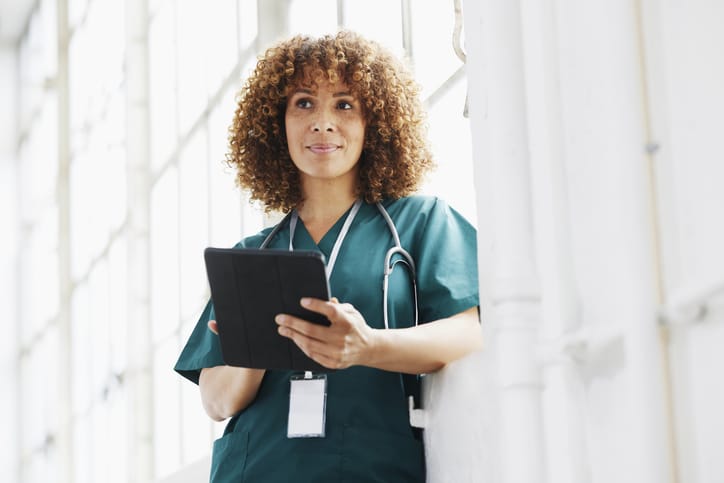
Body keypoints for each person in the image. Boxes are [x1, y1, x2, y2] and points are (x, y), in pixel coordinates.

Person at [174, 30, 483, 482]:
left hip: (367, 466)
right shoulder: (251, 255)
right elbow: (217, 402)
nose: (322, 122)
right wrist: (255, 347)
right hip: (257, 468)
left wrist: (369, 346)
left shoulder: (419, 223)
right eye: (303, 103)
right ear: (276, 121)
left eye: (343, 104)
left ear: (373, 121)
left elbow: (474, 331)